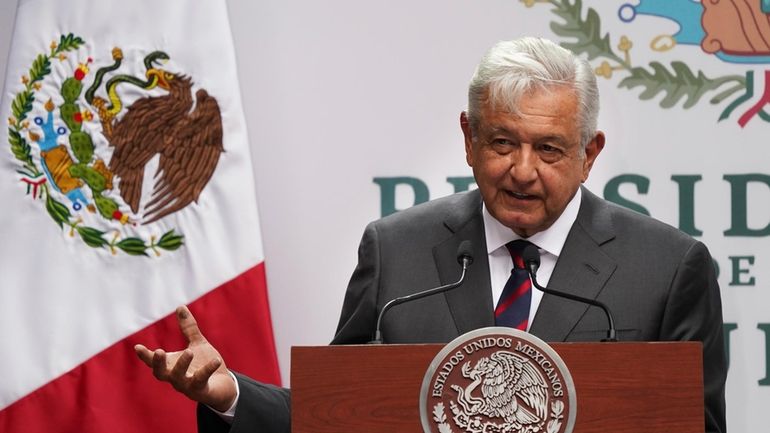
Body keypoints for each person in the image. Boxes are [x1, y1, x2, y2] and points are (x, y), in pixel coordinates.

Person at [135, 36, 727, 433]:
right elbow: (337, 416)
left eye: (548, 149)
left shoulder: (668, 269)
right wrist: (230, 394)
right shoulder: (398, 251)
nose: (523, 171)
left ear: (589, 153)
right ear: (468, 138)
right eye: (502, 143)